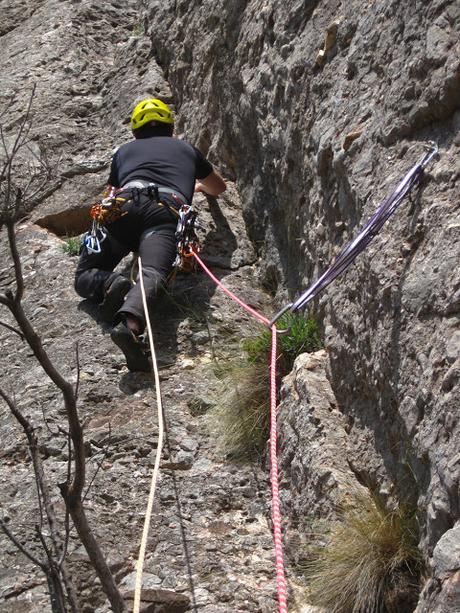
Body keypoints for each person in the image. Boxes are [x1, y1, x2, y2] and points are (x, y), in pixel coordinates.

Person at [75, 98, 226, 371]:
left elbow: (111, 193)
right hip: (163, 212)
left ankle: (110, 283)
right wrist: (196, 188)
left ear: (135, 130)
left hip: (123, 209)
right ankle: (130, 325)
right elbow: (218, 187)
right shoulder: (186, 149)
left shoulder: (124, 152)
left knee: (85, 275)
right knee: (153, 273)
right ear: (170, 126)